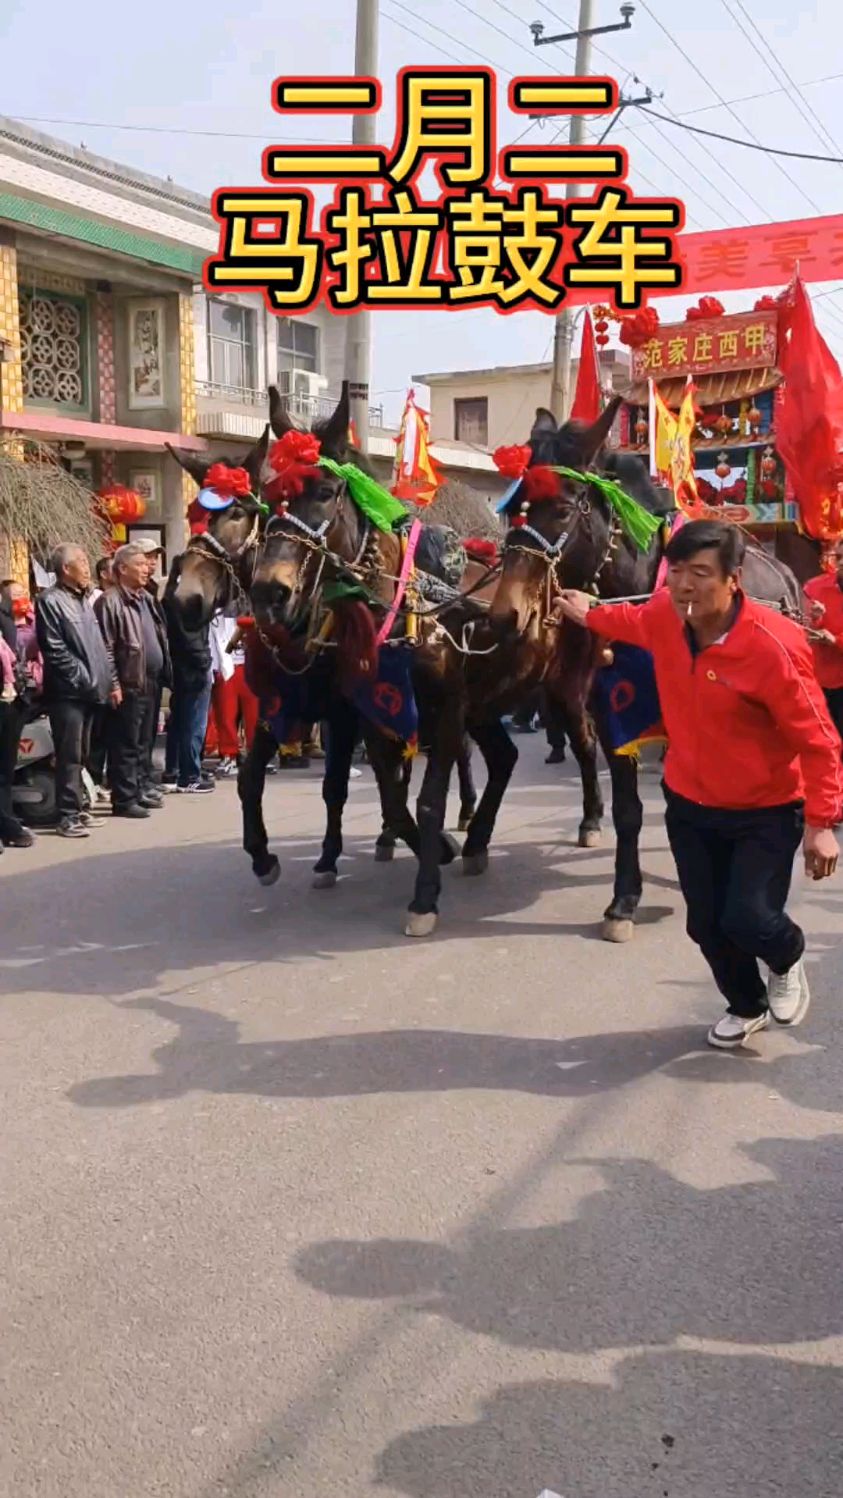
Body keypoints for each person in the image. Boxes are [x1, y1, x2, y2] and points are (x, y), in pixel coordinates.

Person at [556, 519, 842, 1051]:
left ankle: (787, 957)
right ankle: (746, 1004)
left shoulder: (772, 646)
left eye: (700, 573)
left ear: (734, 579)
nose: (684, 584)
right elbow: (627, 619)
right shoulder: (665, 615)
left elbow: (820, 739)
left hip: (767, 809)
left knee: (749, 917)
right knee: (705, 925)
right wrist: (586, 610)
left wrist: (823, 824)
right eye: (677, 571)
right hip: (690, 801)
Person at [35, 544, 112, 838]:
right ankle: (66, 815)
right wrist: (84, 679)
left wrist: (102, 680)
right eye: (80, 561)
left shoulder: (83, 600)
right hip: (69, 693)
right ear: (65, 569)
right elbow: (54, 649)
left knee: (82, 753)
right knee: (69, 755)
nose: (86, 565)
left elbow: (96, 645)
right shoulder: (50, 600)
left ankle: (80, 808)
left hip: (90, 691)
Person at [95, 542, 169, 819]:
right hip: (127, 683)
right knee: (125, 742)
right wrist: (113, 683)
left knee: (143, 742)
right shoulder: (110, 601)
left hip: (149, 680)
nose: (146, 569)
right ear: (122, 569)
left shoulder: (145, 598)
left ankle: (138, 789)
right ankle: (124, 799)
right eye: (140, 564)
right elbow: (106, 647)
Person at [162, 554, 215, 794]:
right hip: (192, 666)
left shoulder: (171, 594)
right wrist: (204, 662)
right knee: (193, 723)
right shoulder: (188, 598)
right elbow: (190, 637)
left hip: (181, 665)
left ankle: (173, 771)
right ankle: (190, 774)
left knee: (180, 720)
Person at [206, 602, 260, 776]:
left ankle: (257, 753)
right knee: (225, 714)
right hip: (226, 666)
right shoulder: (216, 613)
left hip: (249, 666)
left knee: (254, 714)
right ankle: (229, 754)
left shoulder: (255, 609)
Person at [804, 538, 843, 746]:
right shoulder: (814, 586)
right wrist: (814, 618)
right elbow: (802, 622)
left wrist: (835, 640)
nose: (841, 563)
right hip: (818, 678)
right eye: (838, 558)